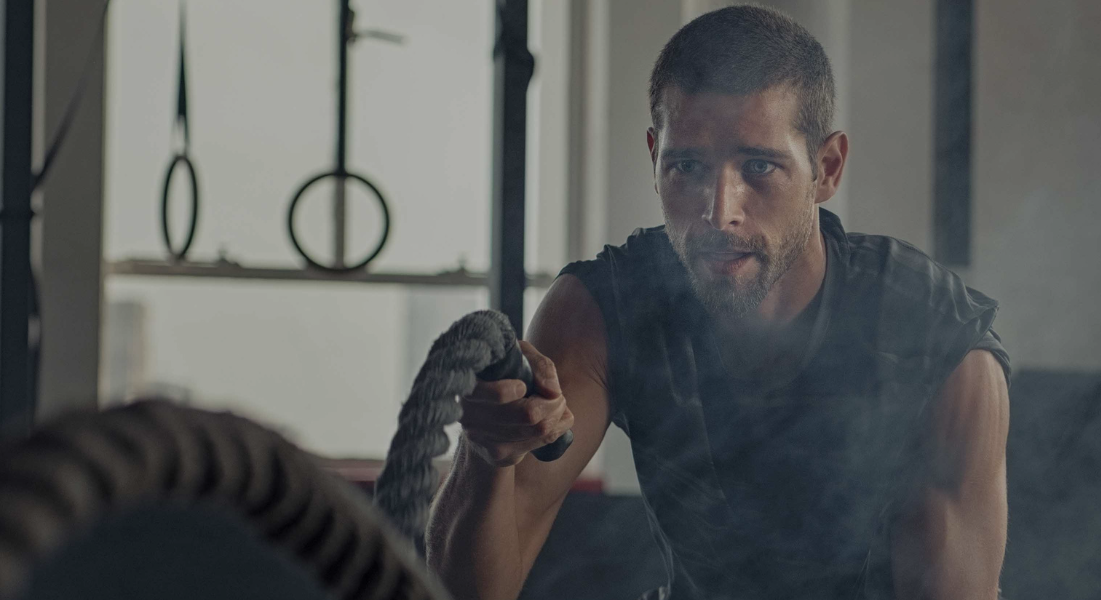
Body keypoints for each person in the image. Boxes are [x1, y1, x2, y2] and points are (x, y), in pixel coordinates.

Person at [425, 6, 1011, 599]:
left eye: (759, 166)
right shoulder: (605, 309)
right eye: (688, 166)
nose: (718, 210)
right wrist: (486, 456)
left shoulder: (931, 335)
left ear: (826, 168)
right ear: (655, 158)